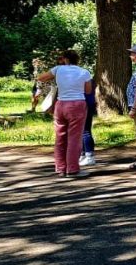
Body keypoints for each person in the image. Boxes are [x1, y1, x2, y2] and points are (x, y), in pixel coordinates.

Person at [38, 50, 93, 178]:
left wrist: (57, 82)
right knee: (74, 138)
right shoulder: (84, 72)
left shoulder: (58, 69)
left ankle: (60, 168)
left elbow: (41, 78)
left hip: (60, 105)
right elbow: (88, 90)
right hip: (77, 105)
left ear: (64, 59)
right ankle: (72, 169)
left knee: (60, 137)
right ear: (77, 60)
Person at [80, 72, 98, 168]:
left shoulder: (85, 85)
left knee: (85, 131)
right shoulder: (90, 82)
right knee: (83, 132)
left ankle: (89, 155)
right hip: (88, 107)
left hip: (85, 107)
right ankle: (83, 154)